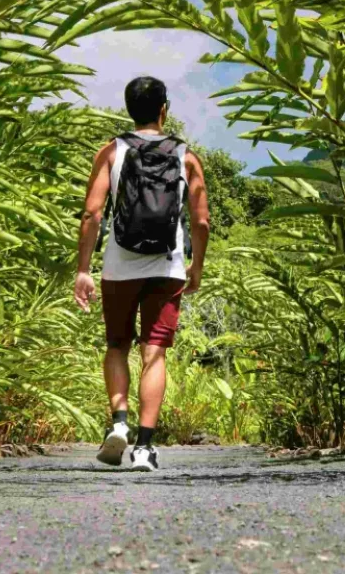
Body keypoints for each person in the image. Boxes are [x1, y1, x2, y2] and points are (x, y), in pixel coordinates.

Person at [72, 76, 211, 472]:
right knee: (155, 351)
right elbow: (201, 221)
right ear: (164, 109)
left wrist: (83, 269)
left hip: (119, 265)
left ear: (129, 109)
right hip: (168, 267)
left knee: (117, 345)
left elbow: (92, 213)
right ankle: (145, 449)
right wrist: (195, 266)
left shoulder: (112, 151)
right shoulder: (187, 156)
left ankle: (119, 424)